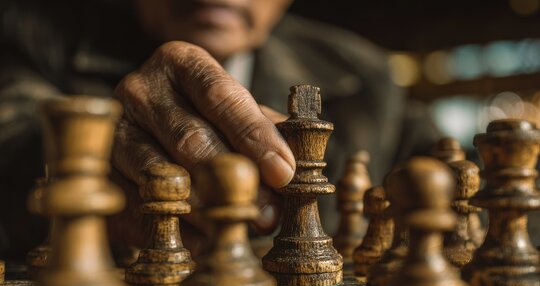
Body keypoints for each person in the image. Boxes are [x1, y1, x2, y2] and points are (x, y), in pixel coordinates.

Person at [0, 0, 439, 262]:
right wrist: (91, 160)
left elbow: (454, 181)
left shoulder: (366, 73)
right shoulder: (25, 33)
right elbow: (12, 149)